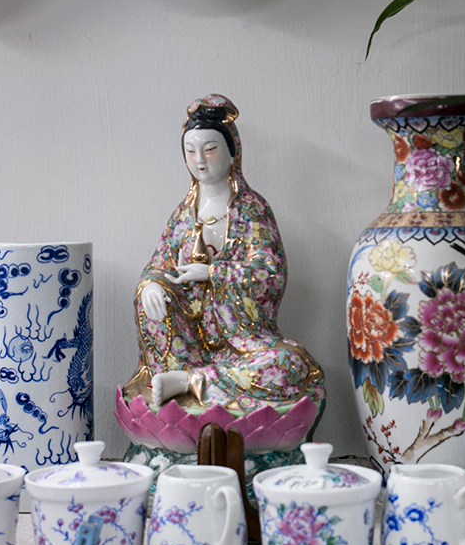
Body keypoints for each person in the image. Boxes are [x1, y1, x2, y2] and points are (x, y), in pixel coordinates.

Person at [122, 95, 325, 416]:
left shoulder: (252, 209)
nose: (200, 160)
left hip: (243, 342)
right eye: (191, 151)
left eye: (210, 149)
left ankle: (191, 382)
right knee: (148, 297)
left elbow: (271, 271)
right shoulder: (184, 214)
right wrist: (151, 284)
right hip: (189, 341)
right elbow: (160, 263)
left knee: (292, 364)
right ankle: (181, 376)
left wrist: (212, 273)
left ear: (233, 153)